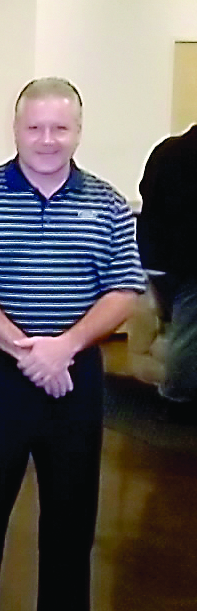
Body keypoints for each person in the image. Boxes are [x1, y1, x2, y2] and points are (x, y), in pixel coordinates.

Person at [0, 77, 144, 611]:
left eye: (60, 127)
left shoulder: (106, 204)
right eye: (35, 127)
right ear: (16, 127)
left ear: (78, 130)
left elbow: (123, 289)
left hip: (75, 376)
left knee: (73, 508)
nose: (47, 139)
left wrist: (65, 349)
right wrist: (27, 350)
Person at [137, 123, 197, 420]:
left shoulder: (166, 150)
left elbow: (146, 191)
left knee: (174, 326)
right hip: (187, 259)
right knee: (187, 331)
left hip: (156, 258)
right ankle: (177, 397)